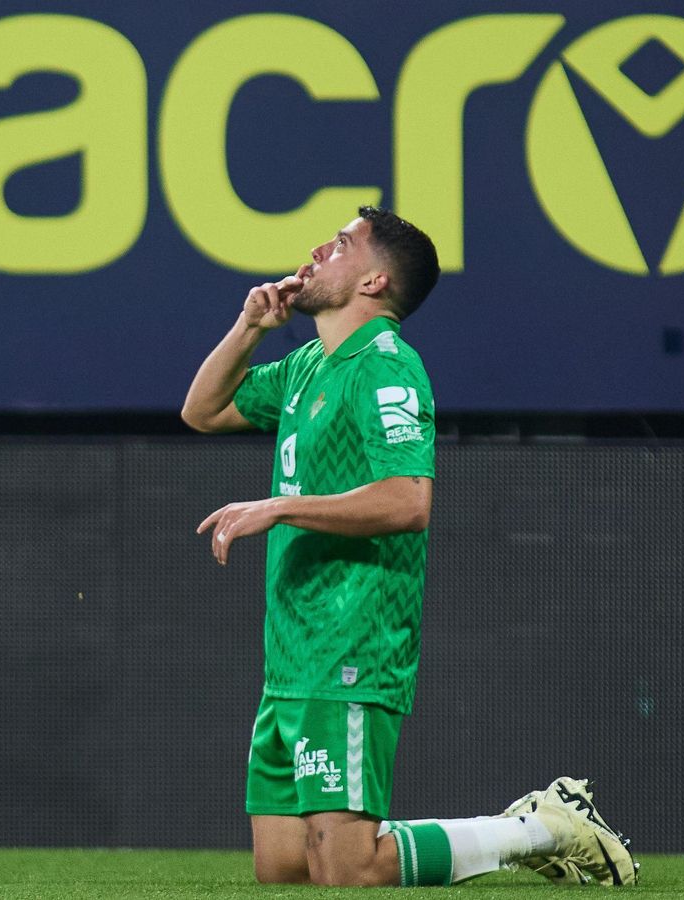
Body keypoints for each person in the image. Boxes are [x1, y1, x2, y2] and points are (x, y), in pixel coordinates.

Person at [181, 206, 639, 887]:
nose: (316, 250)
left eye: (339, 245)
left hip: (352, 644)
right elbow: (203, 411)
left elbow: (407, 501)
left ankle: (543, 827)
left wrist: (278, 506)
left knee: (349, 865)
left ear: (373, 282)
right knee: (282, 869)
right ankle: (534, 827)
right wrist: (249, 328)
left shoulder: (388, 369)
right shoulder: (308, 364)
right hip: (291, 653)